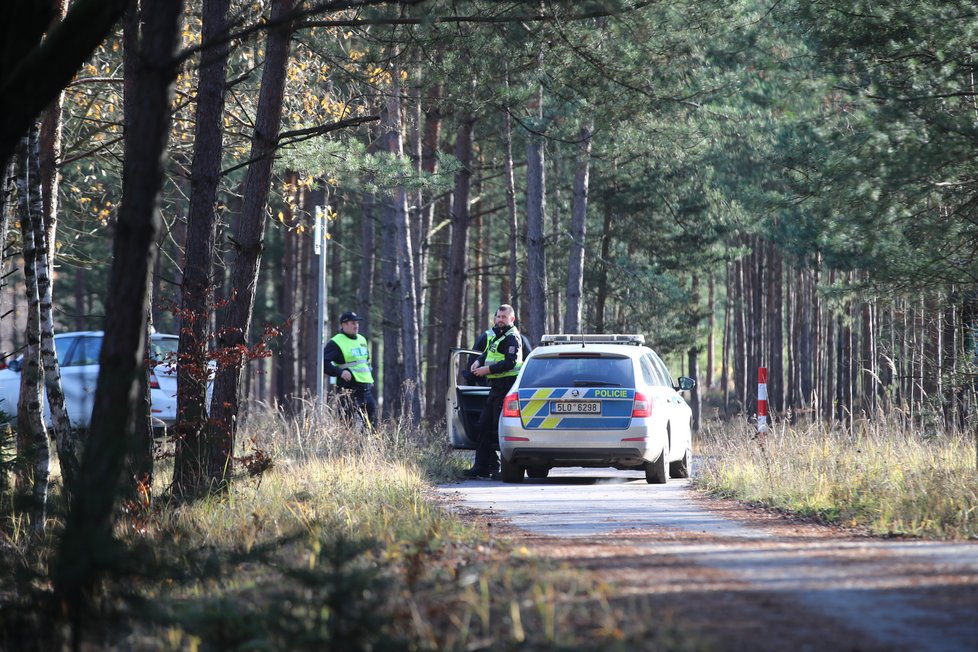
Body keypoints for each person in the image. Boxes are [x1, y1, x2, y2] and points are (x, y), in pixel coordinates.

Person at [463, 304, 523, 479]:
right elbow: (489, 352)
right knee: (483, 426)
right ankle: (482, 467)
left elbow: (510, 363)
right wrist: (478, 361)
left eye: (504, 317)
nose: (500, 320)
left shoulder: (512, 337)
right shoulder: (497, 334)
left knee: (500, 429)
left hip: (507, 388)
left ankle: (504, 468)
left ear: (512, 319)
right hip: (496, 388)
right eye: (498, 317)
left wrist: (486, 371)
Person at [324, 311, 376, 427]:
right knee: (348, 426)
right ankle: (347, 445)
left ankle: (369, 445)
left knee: (372, 425)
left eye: (357, 323)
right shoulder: (336, 342)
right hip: (348, 391)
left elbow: (365, 361)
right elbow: (323, 362)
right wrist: (339, 372)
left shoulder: (362, 339)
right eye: (352, 323)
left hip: (366, 389)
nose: (356, 325)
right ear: (344, 324)